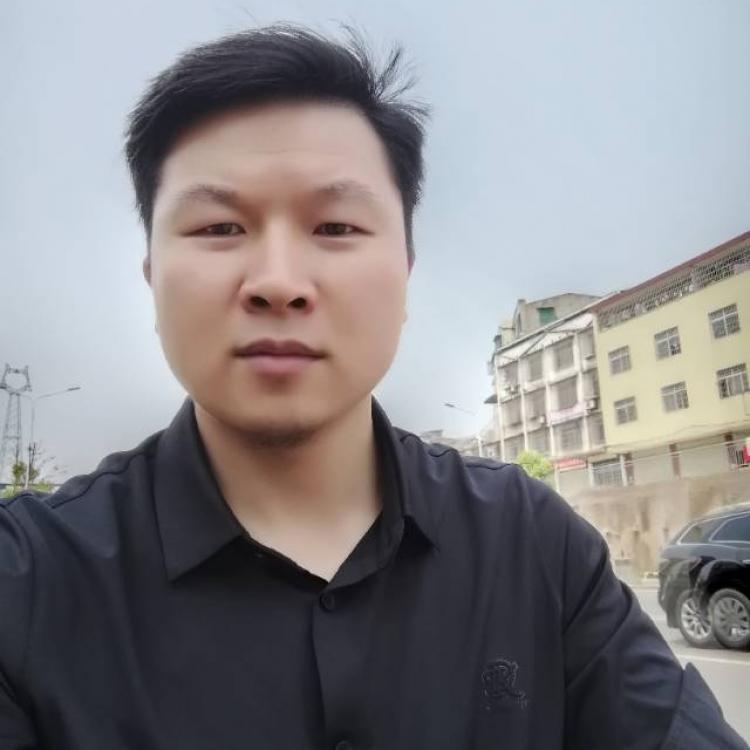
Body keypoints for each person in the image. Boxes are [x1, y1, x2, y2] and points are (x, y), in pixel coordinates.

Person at [0, 25, 746, 750]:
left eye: (336, 227)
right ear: (152, 276)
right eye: (219, 228)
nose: (278, 282)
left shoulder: (532, 546)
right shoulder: (26, 580)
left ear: (405, 274)